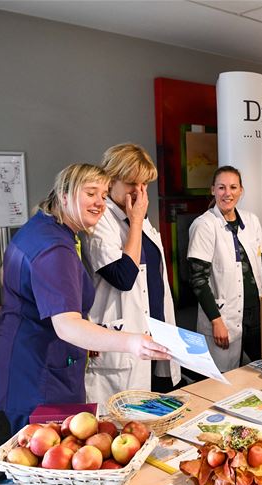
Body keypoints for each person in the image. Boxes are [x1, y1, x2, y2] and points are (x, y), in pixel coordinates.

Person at [0, 164, 171, 433]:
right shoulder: (54, 248)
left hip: (30, 366)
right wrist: (133, 342)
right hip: (40, 376)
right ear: (64, 195)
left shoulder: (43, 227)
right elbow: (67, 325)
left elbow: (18, 279)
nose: (99, 202)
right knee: (45, 466)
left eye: (103, 194)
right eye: (90, 193)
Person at [82, 144, 180, 406]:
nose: (138, 192)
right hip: (122, 344)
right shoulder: (101, 223)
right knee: (123, 425)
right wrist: (136, 221)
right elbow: (124, 278)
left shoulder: (138, 218)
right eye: (131, 184)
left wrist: (137, 220)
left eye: (144, 185)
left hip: (154, 337)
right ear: (110, 180)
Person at [188, 166, 262, 372]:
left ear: (241, 190)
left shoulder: (251, 221)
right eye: (222, 187)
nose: (228, 193)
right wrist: (216, 321)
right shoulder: (204, 225)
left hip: (255, 314)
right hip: (223, 315)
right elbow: (198, 279)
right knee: (223, 377)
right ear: (212, 190)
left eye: (233, 187)